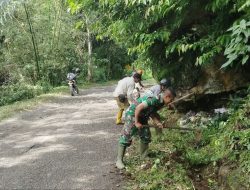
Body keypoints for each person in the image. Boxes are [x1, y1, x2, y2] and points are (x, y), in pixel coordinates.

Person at [115, 87, 176, 169]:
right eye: (171, 100)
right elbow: (138, 108)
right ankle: (119, 160)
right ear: (167, 97)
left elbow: (152, 112)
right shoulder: (155, 99)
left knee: (146, 135)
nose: (171, 103)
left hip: (143, 116)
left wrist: (158, 122)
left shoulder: (161, 102)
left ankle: (144, 155)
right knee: (126, 136)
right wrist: (136, 122)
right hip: (133, 114)